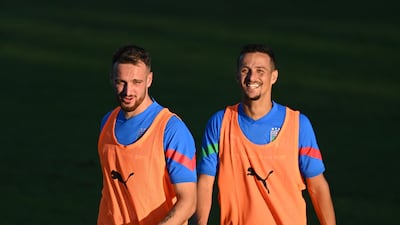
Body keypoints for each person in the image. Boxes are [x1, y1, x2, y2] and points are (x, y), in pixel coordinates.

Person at [196, 44, 336, 225]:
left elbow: (317, 186)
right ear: (237, 75)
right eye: (246, 70)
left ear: (274, 77)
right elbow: (205, 184)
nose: (252, 77)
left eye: (260, 71)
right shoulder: (219, 123)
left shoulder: (298, 125)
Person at [97, 45, 197, 225]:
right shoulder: (107, 122)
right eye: (122, 82)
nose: (128, 92)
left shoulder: (171, 130)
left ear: (149, 80)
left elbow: (188, 201)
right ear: (112, 79)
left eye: (137, 82)